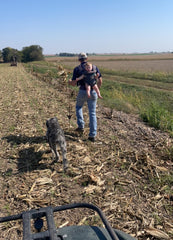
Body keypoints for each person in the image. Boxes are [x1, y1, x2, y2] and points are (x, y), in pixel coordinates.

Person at [68, 52, 102, 142]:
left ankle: (81, 126)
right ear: (86, 58)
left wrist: (69, 82)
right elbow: (100, 80)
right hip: (94, 92)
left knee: (79, 107)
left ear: (79, 60)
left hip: (83, 91)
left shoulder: (77, 69)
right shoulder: (94, 67)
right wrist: (96, 89)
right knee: (92, 113)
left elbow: (74, 82)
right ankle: (92, 135)